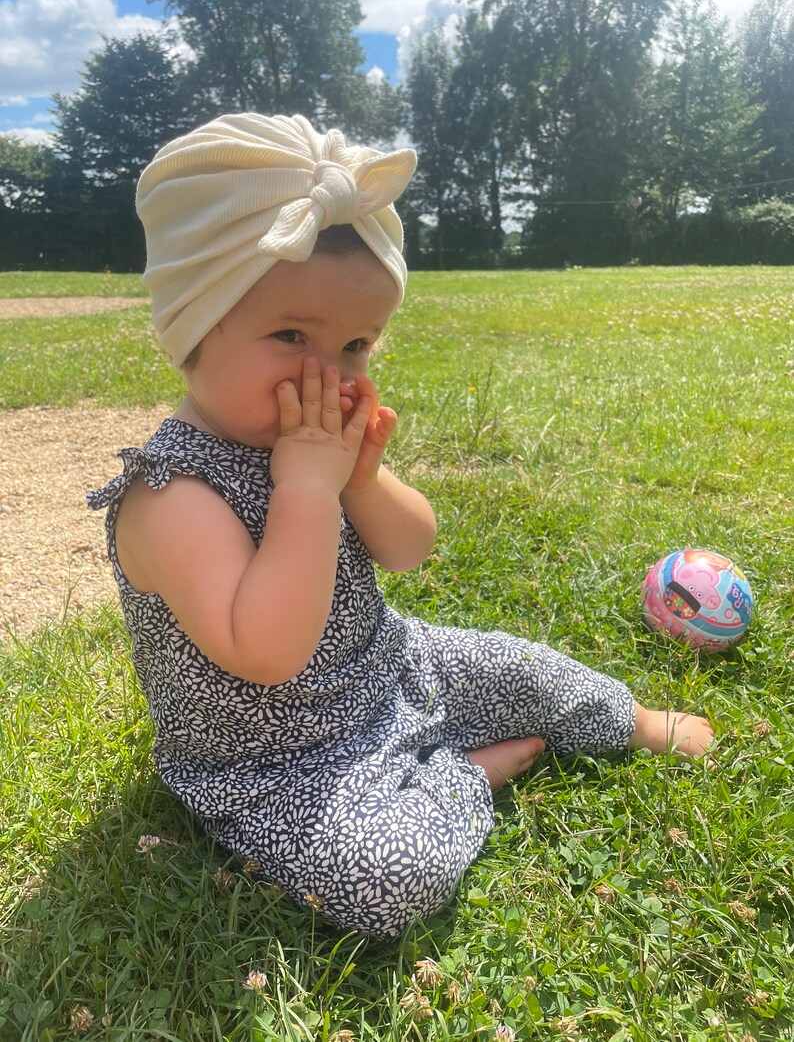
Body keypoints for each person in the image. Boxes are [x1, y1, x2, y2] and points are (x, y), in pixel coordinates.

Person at [89, 113, 713, 941]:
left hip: (393, 668)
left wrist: (364, 479)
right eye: (290, 335)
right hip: (274, 764)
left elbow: (410, 548)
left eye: (355, 344)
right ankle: (462, 778)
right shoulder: (169, 497)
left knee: (524, 668)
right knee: (386, 880)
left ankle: (625, 720)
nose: (330, 372)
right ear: (189, 332)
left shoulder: (316, 449)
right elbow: (267, 650)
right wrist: (306, 491)